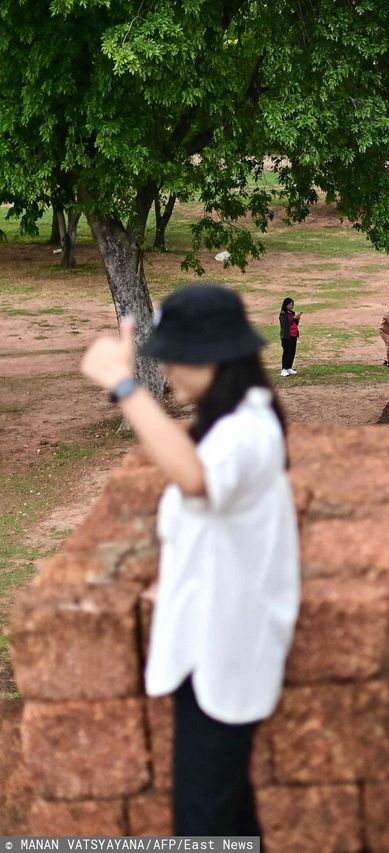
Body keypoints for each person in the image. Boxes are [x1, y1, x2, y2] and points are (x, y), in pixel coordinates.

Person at [79, 283, 300, 838]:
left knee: (202, 823)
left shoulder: (248, 433)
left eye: (178, 358)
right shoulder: (228, 424)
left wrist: (126, 386)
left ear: (215, 357)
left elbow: (194, 478)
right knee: (223, 813)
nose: (170, 371)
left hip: (226, 649)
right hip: (206, 643)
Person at [278, 298, 302, 377]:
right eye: (290, 304)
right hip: (286, 336)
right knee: (286, 352)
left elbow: (294, 324)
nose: (291, 306)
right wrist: (293, 319)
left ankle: (289, 367)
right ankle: (284, 369)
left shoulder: (292, 313)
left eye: (292, 304)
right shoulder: (283, 314)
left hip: (293, 335)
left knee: (292, 352)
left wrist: (297, 319)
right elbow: (285, 325)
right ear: (286, 305)